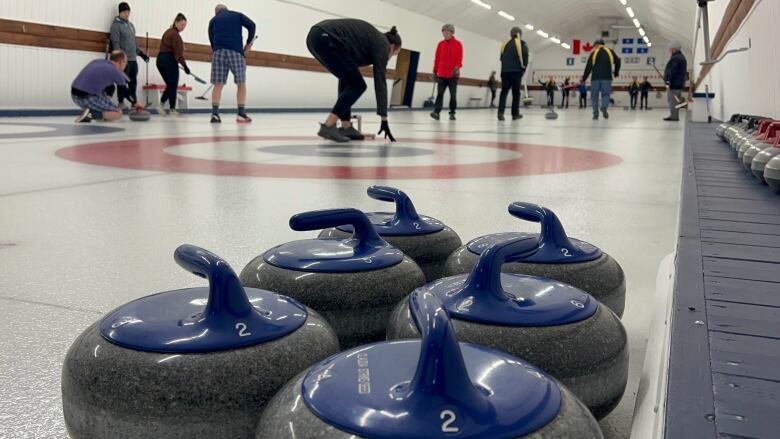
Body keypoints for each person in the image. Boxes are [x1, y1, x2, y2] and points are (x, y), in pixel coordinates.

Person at [306, 19, 402, 142]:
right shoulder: (383, 45)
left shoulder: (370, 40)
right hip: (327, 37)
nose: (389, 57)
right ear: (392, 47)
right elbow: (380, 81)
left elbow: (347, 75)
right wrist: (384, 118)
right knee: (358, 85)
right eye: (393, 54)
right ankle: (329, 125)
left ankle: (346, 127)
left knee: (350, 81)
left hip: (316, 36)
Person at [208, 4, 256, 124]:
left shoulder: (213, 21)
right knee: (241, 83)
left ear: (216, 13)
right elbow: (252, 25)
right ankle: (240, 114)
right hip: (235, 52)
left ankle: (215, 114)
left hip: (218, 53)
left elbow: (211, 40)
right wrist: (249, 43)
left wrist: (217, 50)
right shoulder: (237, 15)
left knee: (218, 84)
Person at [109, 2, 149, 111]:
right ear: (120, 12)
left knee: (133, 82)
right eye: (125, 12)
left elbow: (134, 43)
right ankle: (121, 102)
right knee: (122, 82)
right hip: (123, 60)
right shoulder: (116, 25)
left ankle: (133, 102)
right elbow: (115, 43)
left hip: (133, 59)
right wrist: (120, 58)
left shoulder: (131, 26)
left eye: (128, 12)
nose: (127, 14)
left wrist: (141, 54)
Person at [71, 50, 128, 123]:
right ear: (121, 62)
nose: (125, 65)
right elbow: (125, 92)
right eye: (126, 62)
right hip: (86, 97)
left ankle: (94, 114)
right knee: (118, 113)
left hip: (75, 96)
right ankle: (91, 114)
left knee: (104, 96)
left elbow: (110, 87)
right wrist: (136, 103)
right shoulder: (116, 72)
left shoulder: (98, 62)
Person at [155, 13, 189, 117]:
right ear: (176, 23)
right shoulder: (175, 35)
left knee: (170, 85)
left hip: (160, 60)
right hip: (169, 60)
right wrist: (185, 66)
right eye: (182, 24)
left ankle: (161, 105)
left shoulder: (168, 32)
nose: (183, 27)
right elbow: (178, 54)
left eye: (185, 25)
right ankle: (172, 109)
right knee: (173, 85)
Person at [582, 38, 621, 120]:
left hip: (595, 78)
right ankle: (604, 107)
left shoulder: (594, 53)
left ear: (596, 45)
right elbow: (618, 61)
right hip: (607, 78)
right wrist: (616, 72)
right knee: (606, 95)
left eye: (594, 46)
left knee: (594, 96)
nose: (594, 47)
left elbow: (588, 67)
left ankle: (595, 115)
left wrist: (584, 78)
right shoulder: (610, 51)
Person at [430, 23, 463, 121]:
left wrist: (457, 67)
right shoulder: (440, 44)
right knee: (440, 94)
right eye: (444, 31)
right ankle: (436, 112)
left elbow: (459, 58)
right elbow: (437, 59)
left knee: (453, 96)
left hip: (453, 75)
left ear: (452, 33)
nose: (445, 33)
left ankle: (452, 113)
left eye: (447, 31)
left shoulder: (458, 44)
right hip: (442, 75)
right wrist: (435, 71)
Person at [497, 26, 529, 121]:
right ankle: (515, 114)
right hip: (516, 72)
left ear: (511, 34)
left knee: (503, 93)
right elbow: (525, 57)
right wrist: (523, 70)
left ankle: (500, 113)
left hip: (505, 72)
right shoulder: (522, 43)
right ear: (519, 34)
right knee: (516, 93)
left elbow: (501, 58)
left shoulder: (504, 44)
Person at [664, 41, 688, 121]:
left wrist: (669, 81)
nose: (669, 50)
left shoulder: (676, 58)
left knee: (672, 101)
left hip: (674, 84)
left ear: (674, 49)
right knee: (676, 101)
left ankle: (674, 117)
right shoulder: (681, 57)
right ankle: (674, 115)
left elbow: (673, 71)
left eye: (670, 49)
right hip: (678, 84)